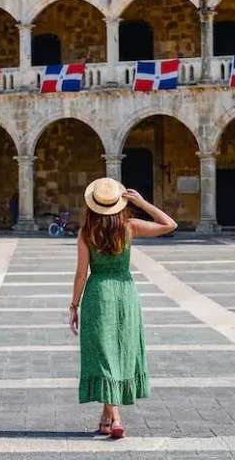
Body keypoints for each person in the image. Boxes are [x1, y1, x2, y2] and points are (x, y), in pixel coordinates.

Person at [69, 177, 176, 439]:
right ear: (119, 203)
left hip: (98, 293)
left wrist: (74, 305)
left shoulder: (86, 232)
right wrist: (142, 203)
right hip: (126, 293)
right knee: (118, 351)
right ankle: (107, 419)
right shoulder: (130, 227)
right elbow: (169, 224)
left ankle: (114, 416)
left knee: (105, 353)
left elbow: (81, 274)